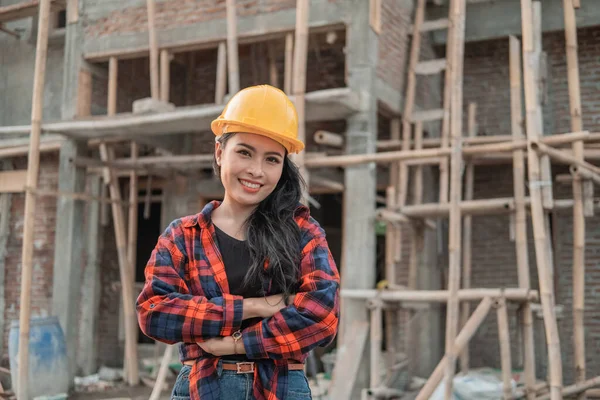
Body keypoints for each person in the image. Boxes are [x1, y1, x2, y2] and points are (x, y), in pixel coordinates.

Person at [136, 84, 340, 400]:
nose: (256, 171)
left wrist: (236, 343)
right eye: (244, 152)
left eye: (272, 159)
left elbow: (322, 316)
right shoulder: (183, 236)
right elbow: (155, 312)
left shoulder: (302, 231)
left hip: (282, 389)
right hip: (203, 389)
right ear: (220, 152)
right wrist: (252, 307)